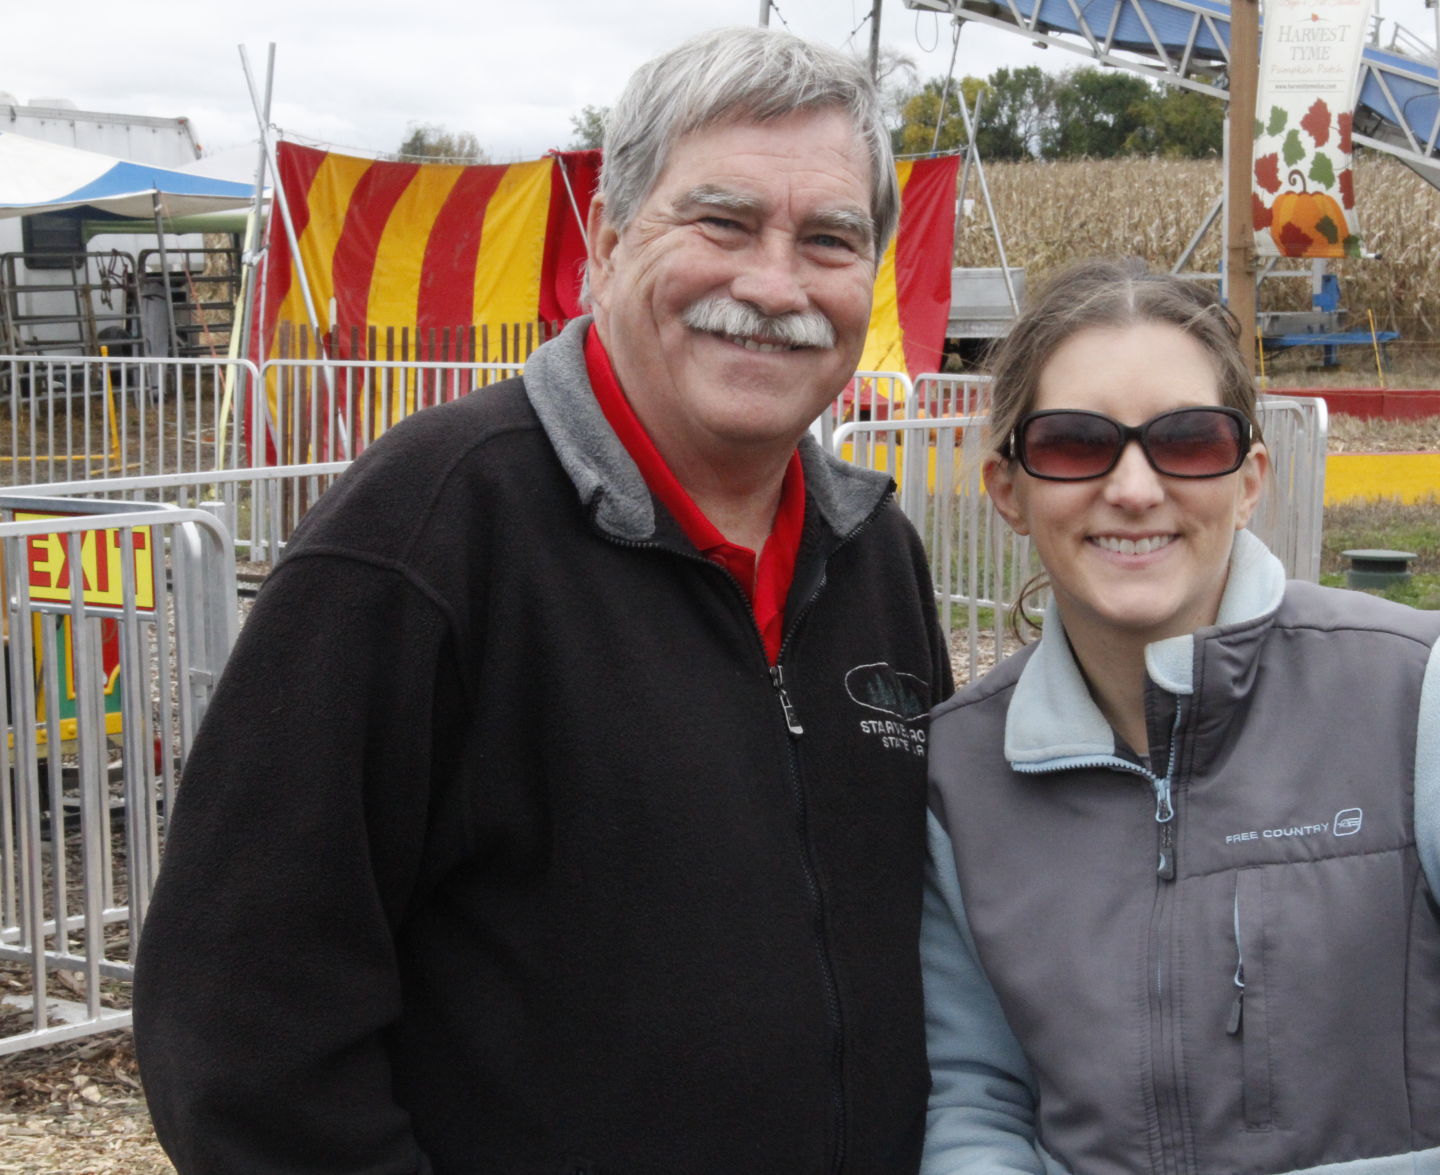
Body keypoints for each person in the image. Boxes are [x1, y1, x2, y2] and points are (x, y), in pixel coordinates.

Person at [134, 28, 951, 1174]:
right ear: (609, 246)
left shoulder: (875, 556)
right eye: (721, 223)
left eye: (827, 240)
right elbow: (239, 1024)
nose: (774, 284)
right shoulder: (423, 535)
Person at [919, 258, 1440, 1175]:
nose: (1132, 487)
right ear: (1007, 488)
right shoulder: (966, 772)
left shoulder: (1423, 700)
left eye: (1188, 441)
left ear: (1248, 481)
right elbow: (977, 1094)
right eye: (1077, 443)